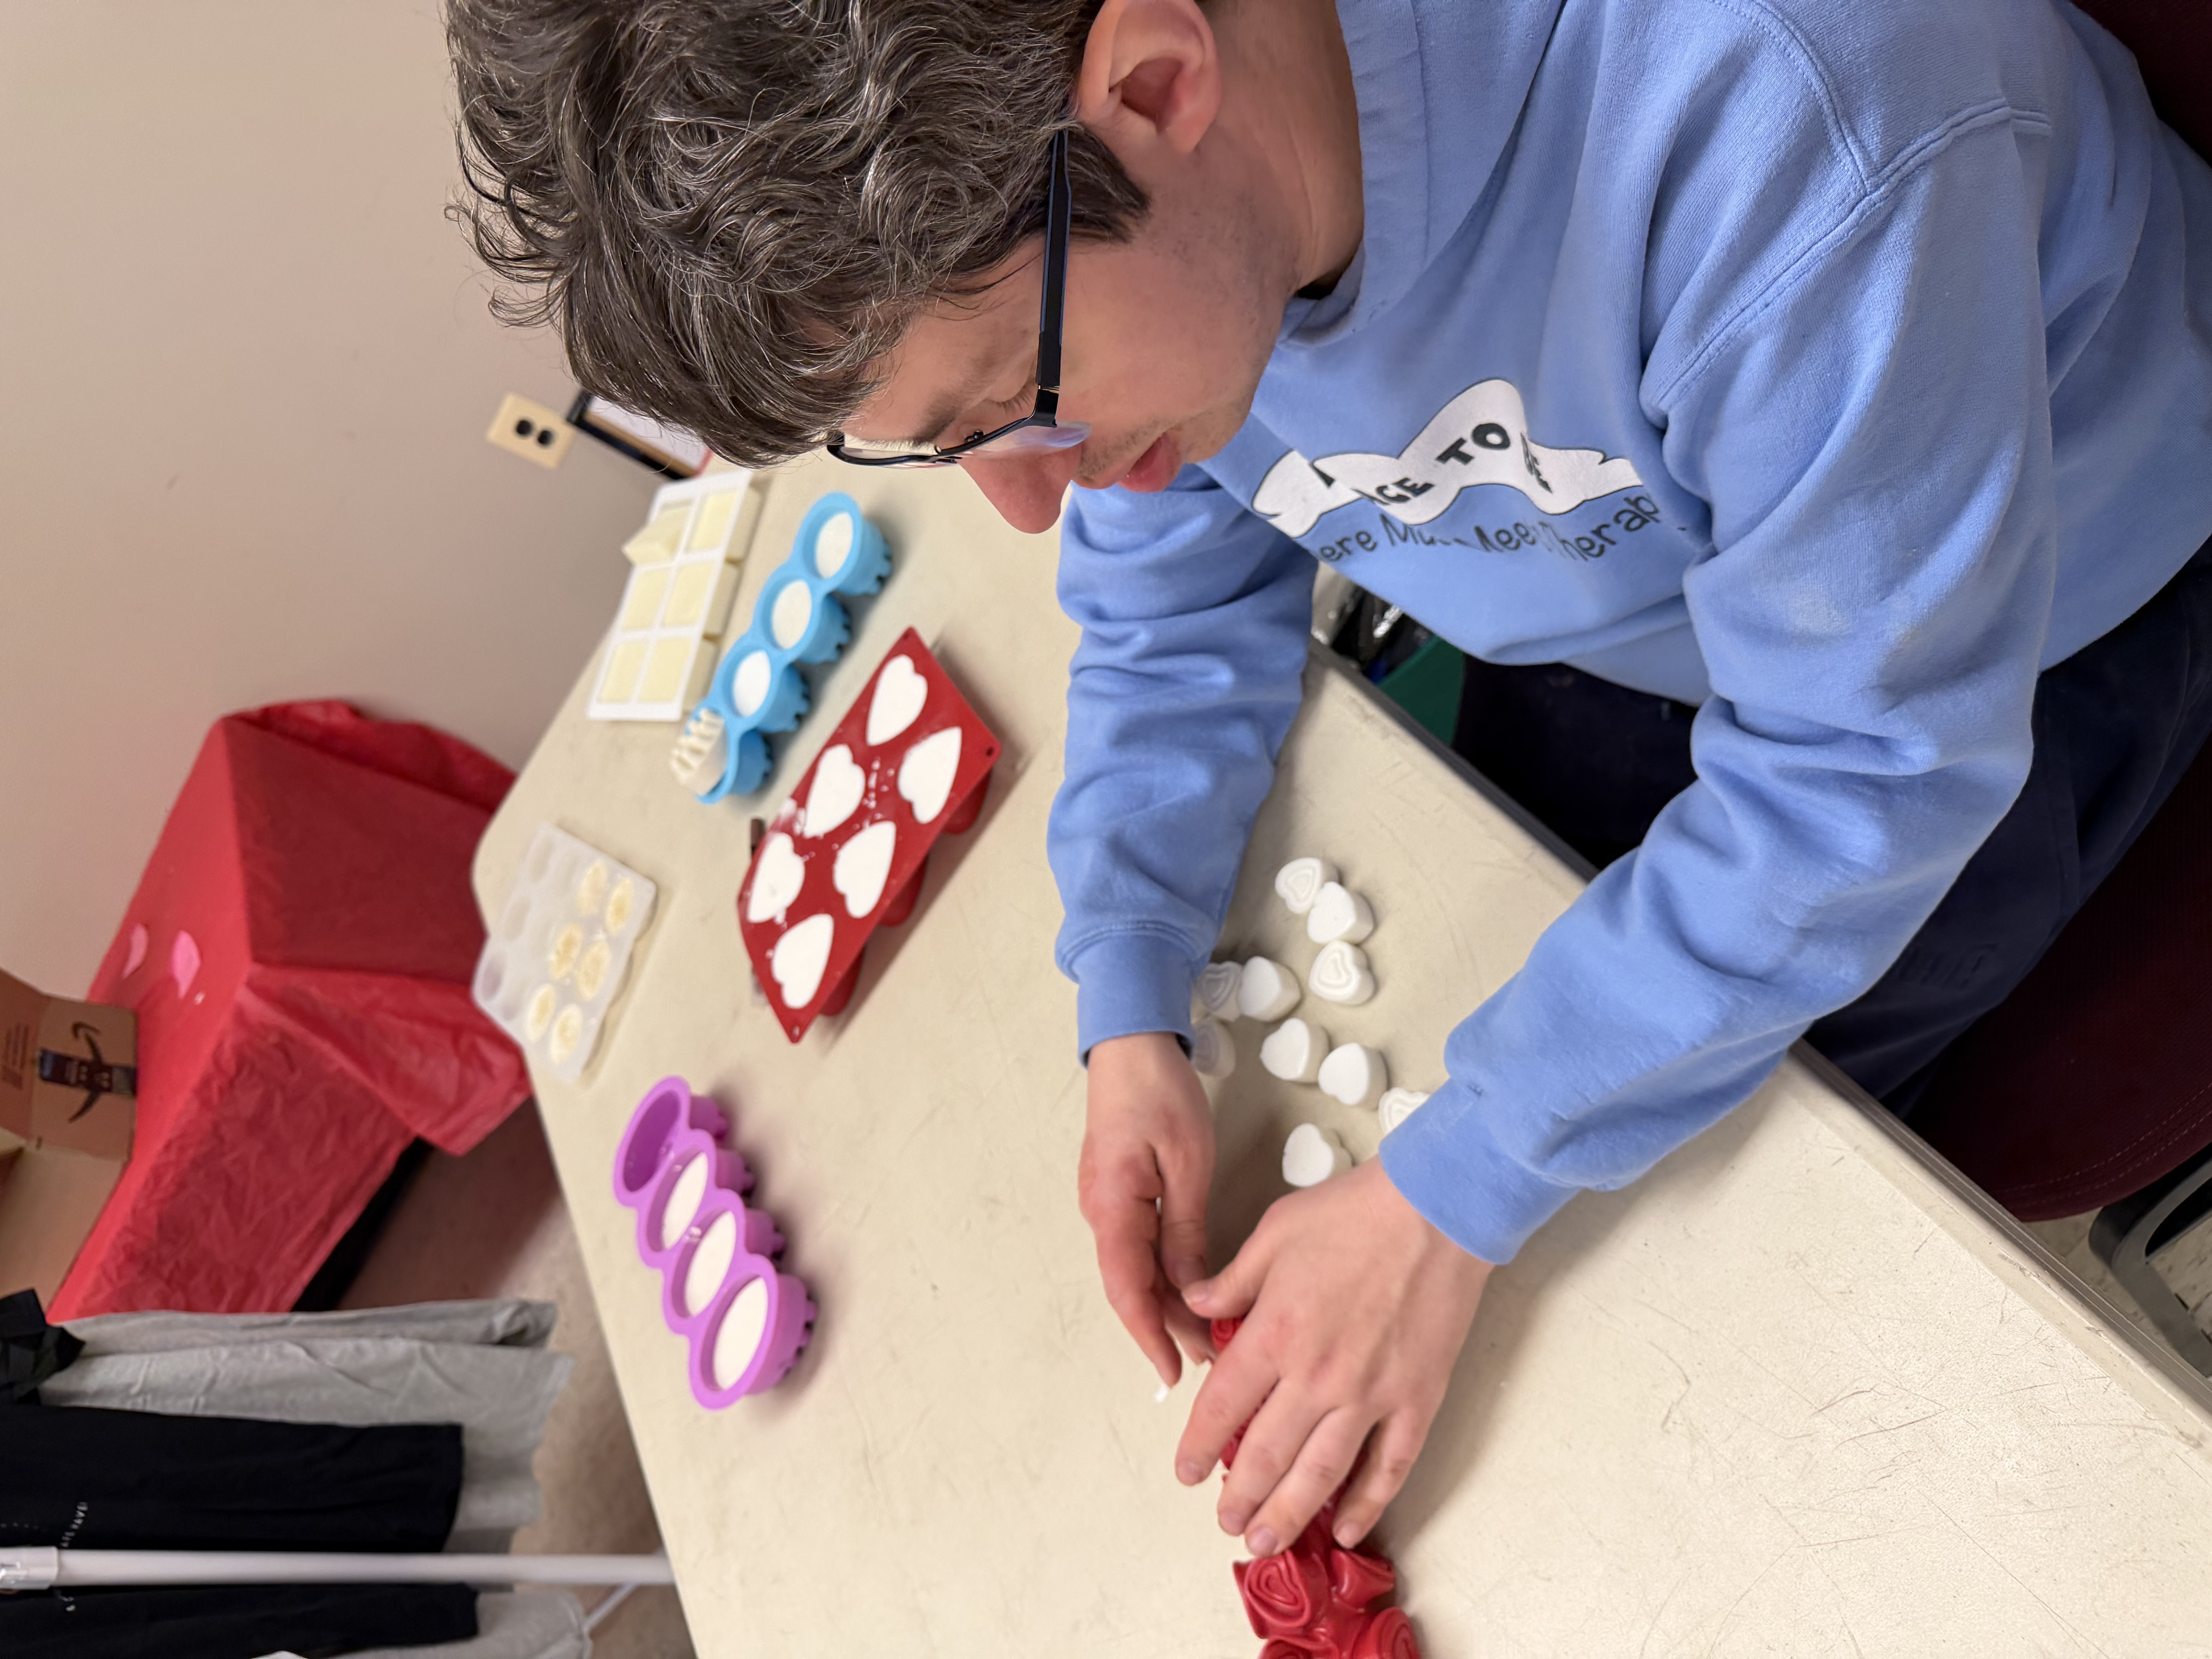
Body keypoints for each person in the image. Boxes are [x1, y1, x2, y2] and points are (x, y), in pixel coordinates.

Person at [449, 0, 2212, 1567]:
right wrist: (1127, 989)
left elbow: (1864, 775)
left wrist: (1455, 1194)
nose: (1031, 502)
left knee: (1675, 1315)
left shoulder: (1794, 111)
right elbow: (1168, 585)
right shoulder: (1171, 212)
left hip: (2036, 629)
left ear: (1156, 79)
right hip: (1653, 598)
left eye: (1021, 404)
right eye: (950, 444)